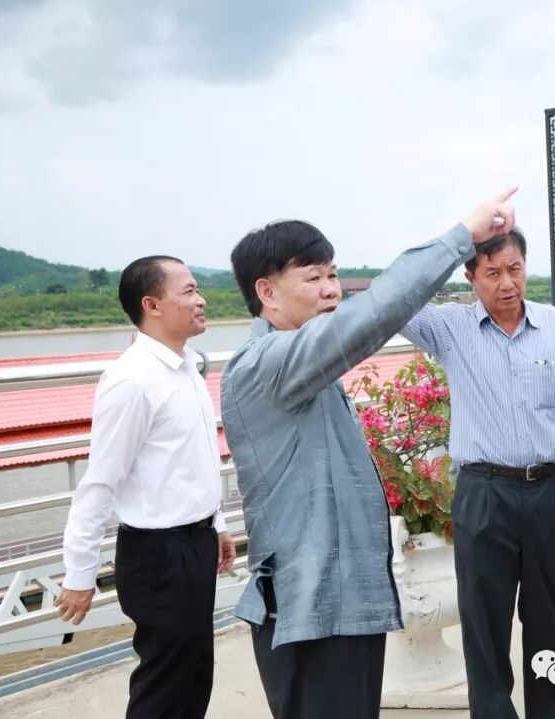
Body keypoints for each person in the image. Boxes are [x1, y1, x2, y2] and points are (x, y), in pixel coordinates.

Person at [220, 189, 516, 719]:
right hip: (313, 609)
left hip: (341, 604)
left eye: (333, 274)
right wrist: (462, 238)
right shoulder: (266, 364)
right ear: (266, 291)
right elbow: (373, 314)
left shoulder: (301, 363)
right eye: (313, 277)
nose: (331, 289)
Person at [400, 227, 555, 719]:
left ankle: (554, 710)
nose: (507, 283)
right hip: (483, 493)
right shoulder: (449, 327)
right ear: (470, 277)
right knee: (483, 620)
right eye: (492, 273)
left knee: (548, 615)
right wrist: (459, 239)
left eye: (515, 269)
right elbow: (400, 296)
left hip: (547, 489)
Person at [57, 256, 236, 719]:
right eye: (189, 291)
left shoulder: (186, 366)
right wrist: (79, 575)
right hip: (159, 556)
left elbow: (192, 460)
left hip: (194, 542)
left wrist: (216, 523)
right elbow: (100, 482)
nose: (201, 300)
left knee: (193, 677)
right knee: (164, 688)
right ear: (151, 305)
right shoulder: (132, 380)